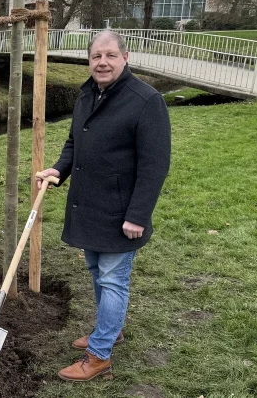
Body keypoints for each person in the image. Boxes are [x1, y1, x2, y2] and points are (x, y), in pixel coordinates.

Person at [36, 31, 171, 381]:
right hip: (89, 206)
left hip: (121, 211)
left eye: (110, 55)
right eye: (96, 56)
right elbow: (73, 142)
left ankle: (99, 356)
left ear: (125, 58)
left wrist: (138, 215)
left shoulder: (145, 100)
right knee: (98, 273)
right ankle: (111, 330)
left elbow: (155, 164)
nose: (103, 62)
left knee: (113, 280)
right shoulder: (87, 94)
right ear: (89, 60)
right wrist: (58, 170)